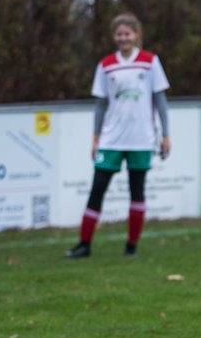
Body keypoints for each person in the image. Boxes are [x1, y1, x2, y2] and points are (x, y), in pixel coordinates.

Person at [66, 13, 170, 258]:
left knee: (137, 191)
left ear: (136, 35)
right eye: (119, 34)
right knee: (97, 189)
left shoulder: (150, 61)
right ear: (114, 36)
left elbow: (160, 101)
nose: (123, 38)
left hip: (141, 139)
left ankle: (131, 247)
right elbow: (100, 105)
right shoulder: (105, 65)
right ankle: (84, 244)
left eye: (128, 33)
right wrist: (95, 137)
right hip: (111, 139)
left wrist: (166, 135)